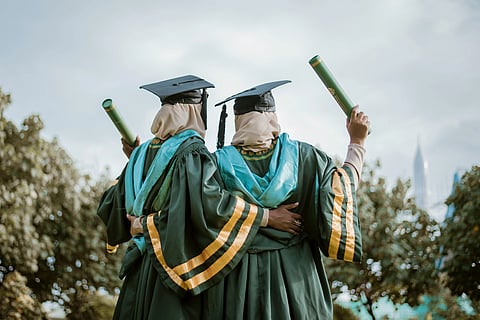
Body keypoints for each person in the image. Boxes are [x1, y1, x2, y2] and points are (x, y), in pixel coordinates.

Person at [96, 75, 303, 320]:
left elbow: (111, 205)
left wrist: (140, 216)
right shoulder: (191, 152)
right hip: (170, 269)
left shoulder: (140, 154)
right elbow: (207, 206)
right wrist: (267, 217)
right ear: (193, 111)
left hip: (139, 269)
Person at [207, 80, 370, 319]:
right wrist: (357, 143)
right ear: (272, 117)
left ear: (237, 120)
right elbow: (340, 191)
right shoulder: (305, 157)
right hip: (297, 281)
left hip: (239, 282)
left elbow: (204, 212)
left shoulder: (214, 165)